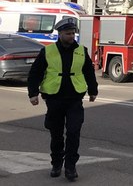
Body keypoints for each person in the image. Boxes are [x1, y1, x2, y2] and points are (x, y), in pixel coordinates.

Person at [27, 17, 99, 181]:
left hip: (74, 99)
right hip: (54, 99)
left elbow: (89, 72)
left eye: (73, 33)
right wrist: (33, 93)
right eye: (68, 33)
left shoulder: (81, 50)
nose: (71, 36)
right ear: (60, 34)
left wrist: (93, 91)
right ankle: (56, 163)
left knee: (74, 132)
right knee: (56, 134)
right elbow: (35, 73)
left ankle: (70, 167)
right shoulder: (48, 51)